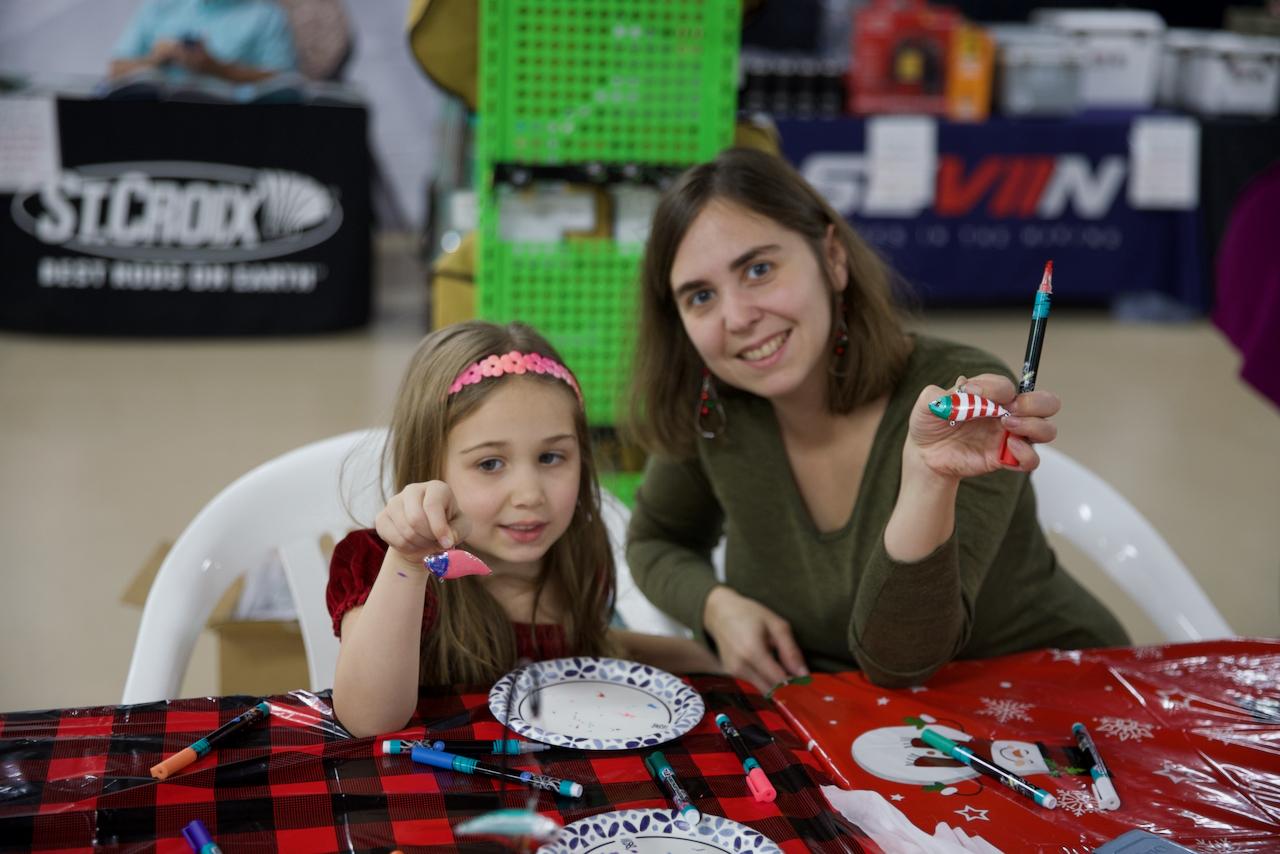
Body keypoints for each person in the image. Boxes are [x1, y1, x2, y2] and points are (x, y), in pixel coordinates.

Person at [625, 148, 1128, 695]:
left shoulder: (960, 405)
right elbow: (657, 540)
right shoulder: (709, 406)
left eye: (759, 269)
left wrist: (928, 479)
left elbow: (901, 662)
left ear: (833, 258)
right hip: (851, 717)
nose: (738, 317)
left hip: (1050, 695)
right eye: (700, 296)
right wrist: (716, 606)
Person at [328, 320, 720, 737]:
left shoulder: (572, 553)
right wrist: (408, 562)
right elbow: (368, 720)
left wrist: (703, 657)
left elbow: (590, 651)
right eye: (490, 463)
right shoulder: (380, 564)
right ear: (428, 467)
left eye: (551, 457)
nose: (530, 494)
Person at [108, 0, 297, 84]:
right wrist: (155, 60)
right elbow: (115, 69)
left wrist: (217, 69)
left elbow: (285, 84)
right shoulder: (160, 5)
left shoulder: (265, 16)